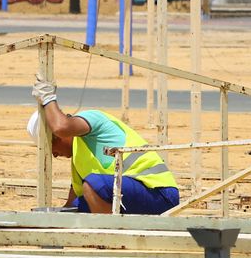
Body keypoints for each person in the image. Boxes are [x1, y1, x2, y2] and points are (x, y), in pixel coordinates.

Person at [30, 73, 179, 215]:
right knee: (79, 205)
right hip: (134, 195)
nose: (55, 155)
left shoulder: (91, 119)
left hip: (159, 193)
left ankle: (109, 237)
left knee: (93, 185)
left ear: (56, 136)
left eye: (52, 149)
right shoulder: (79, 159)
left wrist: (48, 98)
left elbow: (61, 127)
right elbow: (71, 205)